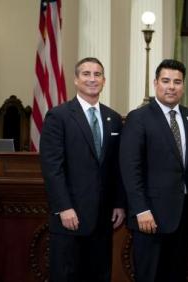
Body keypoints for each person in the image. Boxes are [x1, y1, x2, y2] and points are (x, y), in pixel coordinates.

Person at [40, 57, 126, 281]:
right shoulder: (58, 116)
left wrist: (118, 203)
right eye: (86, 74)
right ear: (76, 80)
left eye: (97, 74)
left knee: (99, 275)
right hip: (71, 217)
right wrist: (64, 207)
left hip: (103, 219)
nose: (92, 79)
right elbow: (52, 167)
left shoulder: (114, 119)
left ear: (104, 80)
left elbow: (116, 167)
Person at [119, 59, 188, 282]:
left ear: (183, 86)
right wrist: (140, 210)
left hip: (183, 218)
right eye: (166, 81)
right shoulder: (138, 118)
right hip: (151, 217)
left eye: (177, 82)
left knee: (177, 276)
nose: (171, 86)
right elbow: (130, 168)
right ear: (156, 83)